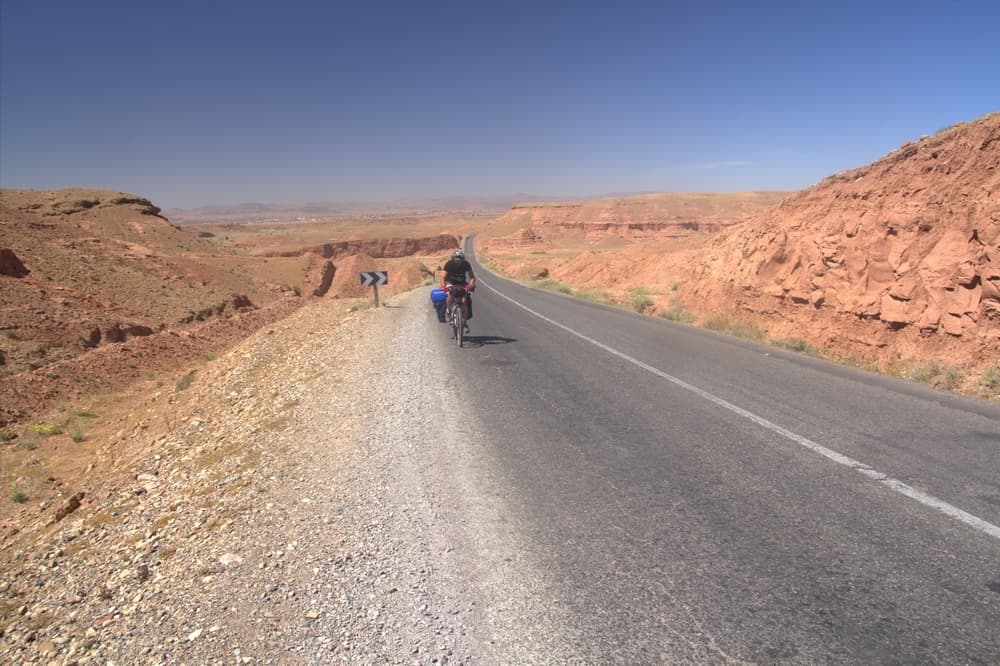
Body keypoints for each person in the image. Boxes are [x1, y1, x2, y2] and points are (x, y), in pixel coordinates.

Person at [441, 249, 475, 329]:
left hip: (461, 283)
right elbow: (443, 276)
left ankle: (465, 322)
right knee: (451, 294)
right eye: (456, 260)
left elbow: (472, 277)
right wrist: (444, 286)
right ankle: (449, 310)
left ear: (463, 260)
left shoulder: (466, 264)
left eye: (459, 260)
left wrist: (471, 285)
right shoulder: (449, 264)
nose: (458, 262)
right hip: (450, 282)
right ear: (453, 259)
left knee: (464, 301)